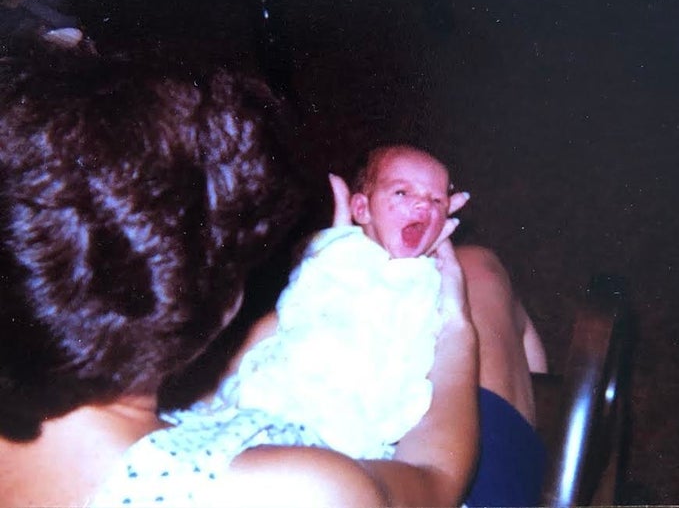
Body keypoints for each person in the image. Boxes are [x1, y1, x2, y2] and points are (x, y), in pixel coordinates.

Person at [0, 47, 479, 507]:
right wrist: (457, 322)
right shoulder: (303, 489)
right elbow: (435, 481)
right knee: (485, 274)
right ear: (221, 308)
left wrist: (322, 289)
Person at [173, 145, 469, 460]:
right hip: (287, 397)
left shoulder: (430, 276)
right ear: (362, 209)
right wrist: (327, 249)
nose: (423, 203)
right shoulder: (341, 251)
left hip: (363, 426)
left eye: (437, 200)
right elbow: (304, 291)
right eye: (401, 193)